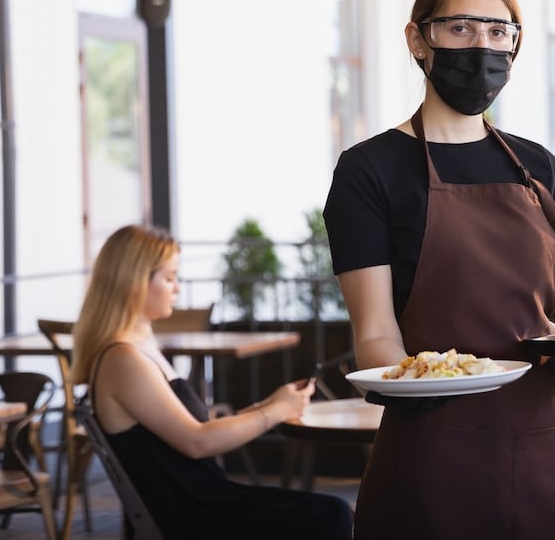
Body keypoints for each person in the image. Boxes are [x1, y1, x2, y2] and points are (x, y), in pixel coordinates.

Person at [323, 0, 555, 539]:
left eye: (500, 32)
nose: (482, 46)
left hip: (544, 442)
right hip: (431, 449)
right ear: (417, 39)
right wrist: (404, 389)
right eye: (461, 29)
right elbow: (374, 331)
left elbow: (534, 325)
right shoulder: (369, 169)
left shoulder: (539, 166)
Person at [71, 224, 353, 540]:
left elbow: (196, 430)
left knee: (332, 511)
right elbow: (197, 442)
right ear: (134, 282)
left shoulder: (138, 349)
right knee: (331, 515)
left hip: (207, 502)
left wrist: (273, 404)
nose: (177, 288)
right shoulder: (123, 360)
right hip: (195, 516)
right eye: (168, 277)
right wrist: (272, 413)